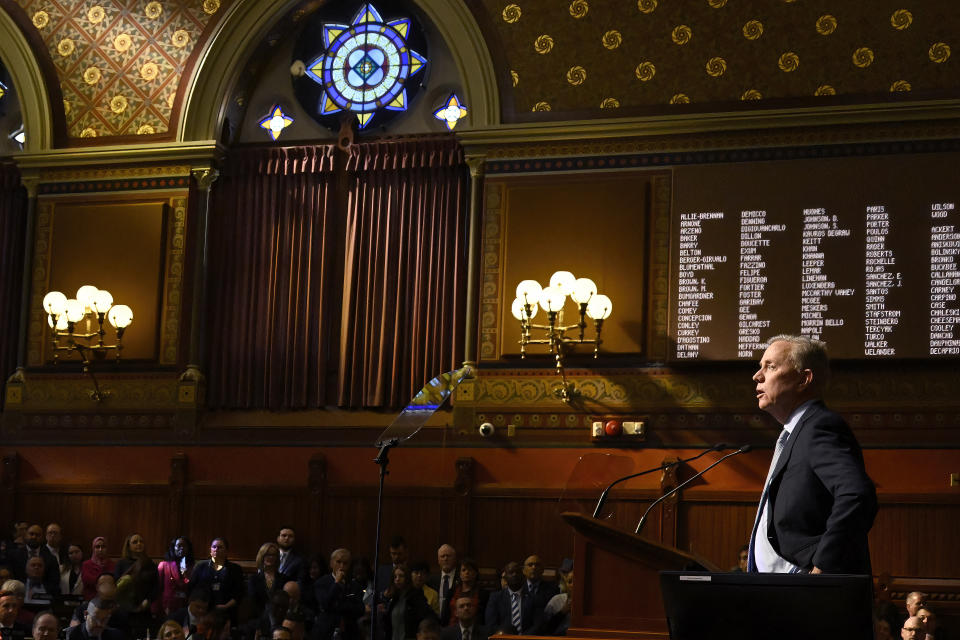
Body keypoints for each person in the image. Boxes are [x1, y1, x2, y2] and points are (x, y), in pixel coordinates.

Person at [748, 335, 877, 574]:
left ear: (804, 379)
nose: (758, 376)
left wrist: (823, 568)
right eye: (760, 367)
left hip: (808, 590)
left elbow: (857, 495)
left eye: (771, 366)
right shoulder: (796, 432)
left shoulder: (819, 426)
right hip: (781, 591)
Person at [313, 548, 364, 640]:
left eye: (345, 563)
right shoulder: (321, 583)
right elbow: (325, 604)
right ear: (331, 563)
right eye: (338, 562)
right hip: (325, 632)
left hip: (349, 633)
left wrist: (337, 606)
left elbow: (360, 609)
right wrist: (336, 584)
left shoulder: (355, 586)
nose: (342, 566)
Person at [114, 533, 158, 636]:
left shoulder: (149, 563)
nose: (139, 544)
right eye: (135, 542)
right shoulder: (121, 564)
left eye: (141, 541)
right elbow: (116, 585)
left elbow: (156, 586)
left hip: (143, 610)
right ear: (128, 546)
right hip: (124, 611)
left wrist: (148, 600)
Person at [192, 538, 244, 626]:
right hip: (203, 612)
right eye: (214, 547)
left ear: (226, 551)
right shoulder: (200, 567)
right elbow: (193, 588)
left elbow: (239, 593)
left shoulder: (235, 569)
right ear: (210, 550)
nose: (216, 549)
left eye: (220, 547)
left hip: (227, 611)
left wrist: (226, 606)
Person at [484, 561, 541, 635]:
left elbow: (538, 625)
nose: (515, 575)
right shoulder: (495, 598)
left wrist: (522, 638)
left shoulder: (534, 598)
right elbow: (490, 624)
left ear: (523, 576)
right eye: (511, 572)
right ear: (505, 577)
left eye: (518, 572)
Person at [381, 565, 434, 640]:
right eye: (395, 577)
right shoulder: (394, 598)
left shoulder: (415, 596)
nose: (397, 579)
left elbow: (427, 615)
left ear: (407, 578)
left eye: (401, 576)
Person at [248, 543, 290, 619]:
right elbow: (253, 602)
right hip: (258, 618)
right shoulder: (254, 579)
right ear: (262, 556)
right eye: (267, 554)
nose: (270, 557)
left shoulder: (284, 578)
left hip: (279, 618)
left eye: (273, 555)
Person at [158, 537, 195, 616]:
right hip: (168, 607)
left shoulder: (193, 567)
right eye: (179, 545)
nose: (181, 548)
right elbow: (158, 588)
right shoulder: (164, 565)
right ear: (173, 548)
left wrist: (186, 575)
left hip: (186, 606)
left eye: (184, 546)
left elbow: (192, 587)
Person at [446, 559, 485, 628]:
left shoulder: (483, 593)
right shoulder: (451, 592)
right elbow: (446, 614)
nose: (467, 572)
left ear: (475, 573)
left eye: (470, 570)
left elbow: (482, 617)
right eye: (464, 570)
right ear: (460, 574)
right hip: (452, 628)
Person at [433, 546, 457, 627]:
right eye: (442, 556)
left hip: (454, 624)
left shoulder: (461, 579)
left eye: (448, 556)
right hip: (435, 624)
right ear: (438, 560)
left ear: (454, 558)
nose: (445, 559)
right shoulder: (431, 580)